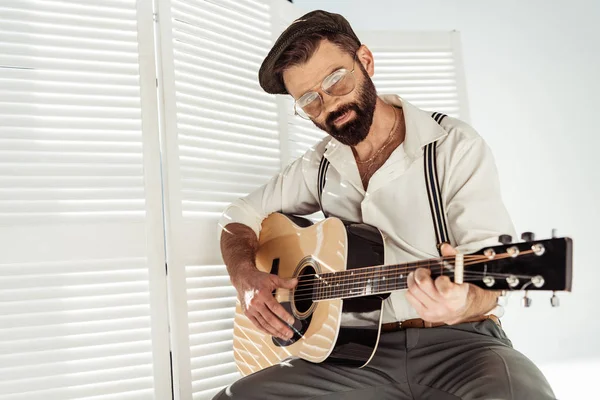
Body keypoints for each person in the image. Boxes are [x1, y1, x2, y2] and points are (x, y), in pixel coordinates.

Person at [213, 10, 555, 400]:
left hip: (462, 346)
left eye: (335, 79)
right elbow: (238, 215)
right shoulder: (317, 165)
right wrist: (245, 278)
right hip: (348, 358)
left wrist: (463, 302)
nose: (328, 105)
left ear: (366, 61)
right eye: (309, 100)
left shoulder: (452, 146)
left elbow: (490, 280)